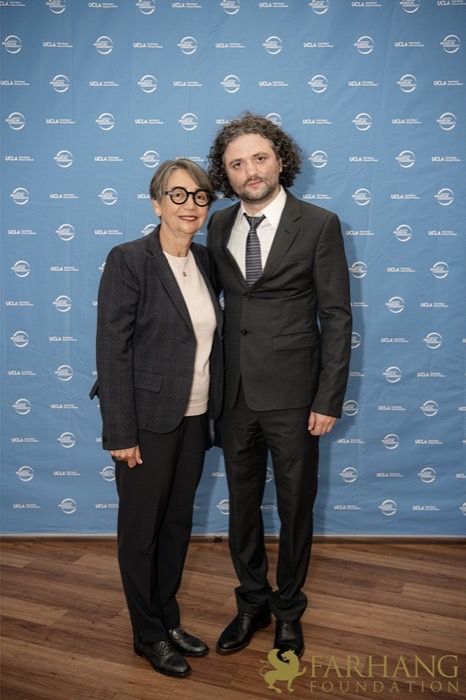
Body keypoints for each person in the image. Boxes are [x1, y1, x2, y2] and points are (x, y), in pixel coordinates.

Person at [206, 113, 352, 658]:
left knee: (295, 508)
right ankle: (252, 602)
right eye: (236, 163)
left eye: (259, 158)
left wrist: (328, 397)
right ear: (225, 174)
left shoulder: (319, 224)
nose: (250, 170)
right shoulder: (218, 225)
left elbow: (336, 317)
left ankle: (289, 609)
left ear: (280, 160)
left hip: (295, 397)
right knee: (242, 507)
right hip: (235, 394)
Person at [90, 159, 223, 678]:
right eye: (178, 195)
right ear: (156, 203)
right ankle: (147, 635)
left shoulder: (206, 260)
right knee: (141, 531)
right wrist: (120, 432)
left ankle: (168, 620)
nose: (190, 205)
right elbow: (112, 350)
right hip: (145, 421)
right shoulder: (130, 260)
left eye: (200, 196)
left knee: (176, 526)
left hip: (194, 418)